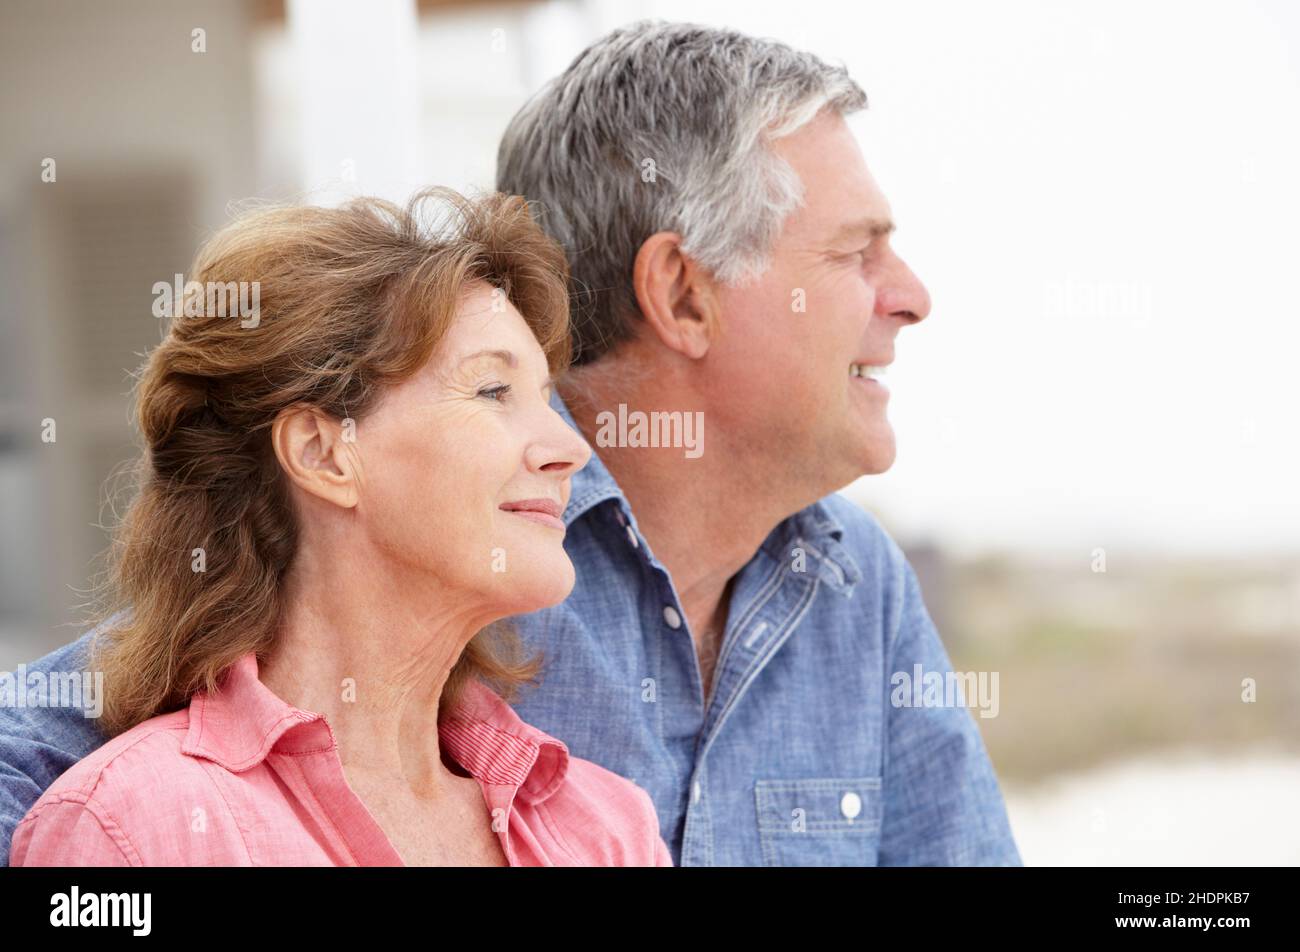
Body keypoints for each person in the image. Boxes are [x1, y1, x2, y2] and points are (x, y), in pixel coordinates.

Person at [1, 20, 1020, 866]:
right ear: (681, 293)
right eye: (854, 251)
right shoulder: (460, 541)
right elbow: (92, 749)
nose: (911, 297)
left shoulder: (855, 586)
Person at [6, 188, 671, 866]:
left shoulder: (611, 830)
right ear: (323, 454)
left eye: (545, 398)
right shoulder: (130, 829)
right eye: (493, 392)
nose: (570, 450)